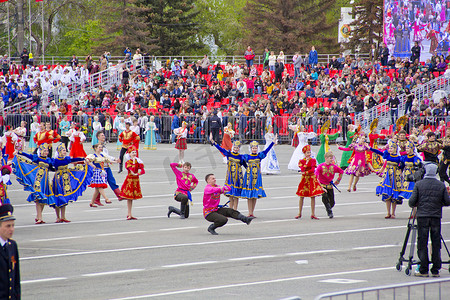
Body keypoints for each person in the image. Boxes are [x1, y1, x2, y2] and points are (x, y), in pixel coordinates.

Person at [409, 163, 450, 277]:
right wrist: (438, 203)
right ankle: (436, 269)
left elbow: (411, 202)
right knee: (436, 242)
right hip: (436, 216)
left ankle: (423, 269)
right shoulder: (440, 185)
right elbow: (447, 201)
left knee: (422, 242)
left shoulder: (419, 184)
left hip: (422, 216)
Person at [12, 143, 55, 224]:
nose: (46, 152)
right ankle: (40, 218)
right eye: (44, 151)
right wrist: (19, 152)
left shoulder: (49, 160)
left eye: (47, 151)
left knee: (44, 199)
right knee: (38, 198)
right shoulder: (37, 158)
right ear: (41, 151)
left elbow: (54, 165)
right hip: (38, 180)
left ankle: (39, 216)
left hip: (45, 181)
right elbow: (28, 156)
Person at [51, 143, 93, 223]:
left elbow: (74, 160)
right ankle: (57, 217)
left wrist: (84, 159)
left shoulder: (66, 159)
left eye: (65, 150)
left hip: (66, 178)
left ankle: (63, 216)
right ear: (59, 151)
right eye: (63, 150)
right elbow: (49, 166)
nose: (65, 152)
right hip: (58, 179)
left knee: (64, 197)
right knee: (57, 196)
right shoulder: (55, 160)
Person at [211, 139, 247, 210]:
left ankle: (235, 210)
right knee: (230, 194)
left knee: (236, 195)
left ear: (239, 148)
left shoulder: (241, 157)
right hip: (230, 177)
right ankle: (230, 209)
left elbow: (246, 166)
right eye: (235, 147)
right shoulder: (229, 153)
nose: (236, 149)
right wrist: (213, 142)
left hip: (238, 178)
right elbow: (220, 149)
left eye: (237, 148)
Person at [371, 141, 403, 219]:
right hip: (387, 176)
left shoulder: (398, 158)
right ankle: (388, 212)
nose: (390, 149)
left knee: (394, 196)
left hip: (395, 177)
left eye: (392, 148)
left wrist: (400, 170)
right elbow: (378, 152)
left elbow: (403, 164)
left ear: (395, 149)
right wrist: (370, 148)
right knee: (387, 194)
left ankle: (393, 213)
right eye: (390, 148)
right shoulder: (387, 155)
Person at [242, 141, 274, 217]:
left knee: (255, 195)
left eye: (256, 148)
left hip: (257, 177)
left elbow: (267, 150)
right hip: (249, 177)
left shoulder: (259, 156)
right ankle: (249, 212)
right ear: (251, 148)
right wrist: (246, 168)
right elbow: (242, 161)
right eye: (253, 148)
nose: (254, 149)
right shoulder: (247, 156)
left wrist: (272, 142)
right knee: (249, 195)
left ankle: (252, 212)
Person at [296, 145, 324, 219]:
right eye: (307, 152)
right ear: (304, 153)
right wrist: (306, 163)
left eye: (309, 152)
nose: (309, 154)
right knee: (301, 196)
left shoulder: (313, 160)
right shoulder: (301, 161)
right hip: (304, 180)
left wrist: (305, 172)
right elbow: (302, 169)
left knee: (312, 196)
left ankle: (313, 213)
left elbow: (312, 170)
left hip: (311, 179)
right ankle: (299, 213)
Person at [94, 130, 123, 204]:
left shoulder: (104, 146)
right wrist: (114, 159)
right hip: (102, 167)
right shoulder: (98, 147)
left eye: (104, 135)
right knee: (101, 184)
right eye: (102, 135)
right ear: (98, 137)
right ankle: (96, 200)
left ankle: (119, 195)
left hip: (106, 167)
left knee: (111, 180)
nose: (104, 136)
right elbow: (105, 156)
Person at [0, 204, 20, 300]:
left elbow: (16, 279)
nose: (11, 229)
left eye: (13, 225)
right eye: (8, 226)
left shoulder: (12, 245)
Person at [119, 146, 145, 220]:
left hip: (135, 180)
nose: (134, 154)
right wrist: (133, 161)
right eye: (132, 152)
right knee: (129, 198)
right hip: (129, 181)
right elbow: (132, 170)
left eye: (135, 152)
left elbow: (143, 171)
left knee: (132, 198)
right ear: (129, 154)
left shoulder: (138, 161)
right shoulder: (128, 162)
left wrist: (138, 174)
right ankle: (129, 214)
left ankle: (130, 214)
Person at [315, 151, 343, 218]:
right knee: (325, 197)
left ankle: (329, 207)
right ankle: (329, 211)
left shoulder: (333, 166)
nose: (331, 160)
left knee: (332, 202)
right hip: (323, 186)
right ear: (326, 158)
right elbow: (316, 176)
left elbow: (341, 171)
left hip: (330, 186)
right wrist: (320, 185)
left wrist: (338, 180)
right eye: (330, 158)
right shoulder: (320, 166)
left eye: (332, 158)